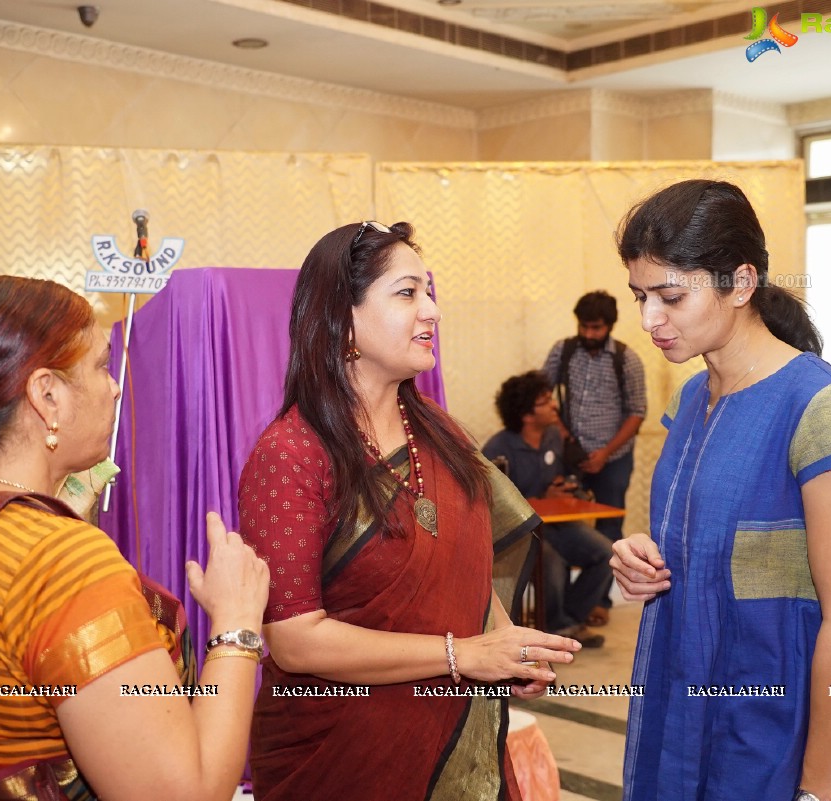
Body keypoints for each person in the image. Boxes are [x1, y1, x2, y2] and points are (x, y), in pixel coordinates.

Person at [0, 275, 269, 801]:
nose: (114, 386)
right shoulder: (58, 558)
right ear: (47, 396)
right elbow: (183, 793)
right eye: (101, 366)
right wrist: (237, 623)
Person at [237, 220, 581, 801]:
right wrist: (462, 655)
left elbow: (466, 564)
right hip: (342, 752)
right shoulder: (291, 454)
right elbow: (295, 639)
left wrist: (503, 643)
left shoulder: (439, 430)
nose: (433, 311)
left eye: (429, 291)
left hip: (453, 731)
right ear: (343, 320)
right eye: (407, 293)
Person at [612, 180, 831, 801]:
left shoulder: (819, 407)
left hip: (776, 727)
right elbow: (710, 550)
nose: (649, 319)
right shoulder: (690, 399)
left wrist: (816, 793)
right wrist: (641, 562)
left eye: (670, 296)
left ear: (740, 283)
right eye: (640, 296)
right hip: (681, 698)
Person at [482, 371, 611, 647]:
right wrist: (539, 498)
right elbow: (492, 505)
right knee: (550, 561)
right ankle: (555, 626)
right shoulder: (498, 448)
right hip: (523, 530)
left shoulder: (553, 435)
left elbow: (558, 476)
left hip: (557, 522)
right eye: (545, 401)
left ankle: (567, 622)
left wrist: (565, 489)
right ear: (527, 415)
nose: (554, 405)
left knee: (606, 552)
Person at [542, 289, 646, 627]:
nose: (589, 334)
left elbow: (636, 413)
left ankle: (599, 602)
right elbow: (542, 395)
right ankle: (561, 602)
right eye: (584, 327)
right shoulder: (564, 350)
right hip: (570, 454)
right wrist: (565, 436)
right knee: (561, 522)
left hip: (613, 457)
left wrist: (605, 453)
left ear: (610, 326)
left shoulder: (626, 359)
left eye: (596, 328)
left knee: (609, 527)